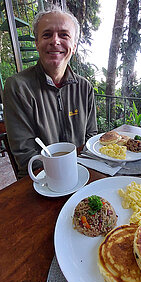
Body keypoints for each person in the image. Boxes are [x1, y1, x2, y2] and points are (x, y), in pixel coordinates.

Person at [3, 5, 98, 179]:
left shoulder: (85, 88)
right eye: (47, 34)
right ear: (37, 43)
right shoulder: (18, 87)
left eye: (64, 35)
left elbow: (91, 138)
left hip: (81, 172)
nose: (55, 41)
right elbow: (25, 154)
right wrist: (64, 174)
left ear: (74, 46)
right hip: (40, 180)